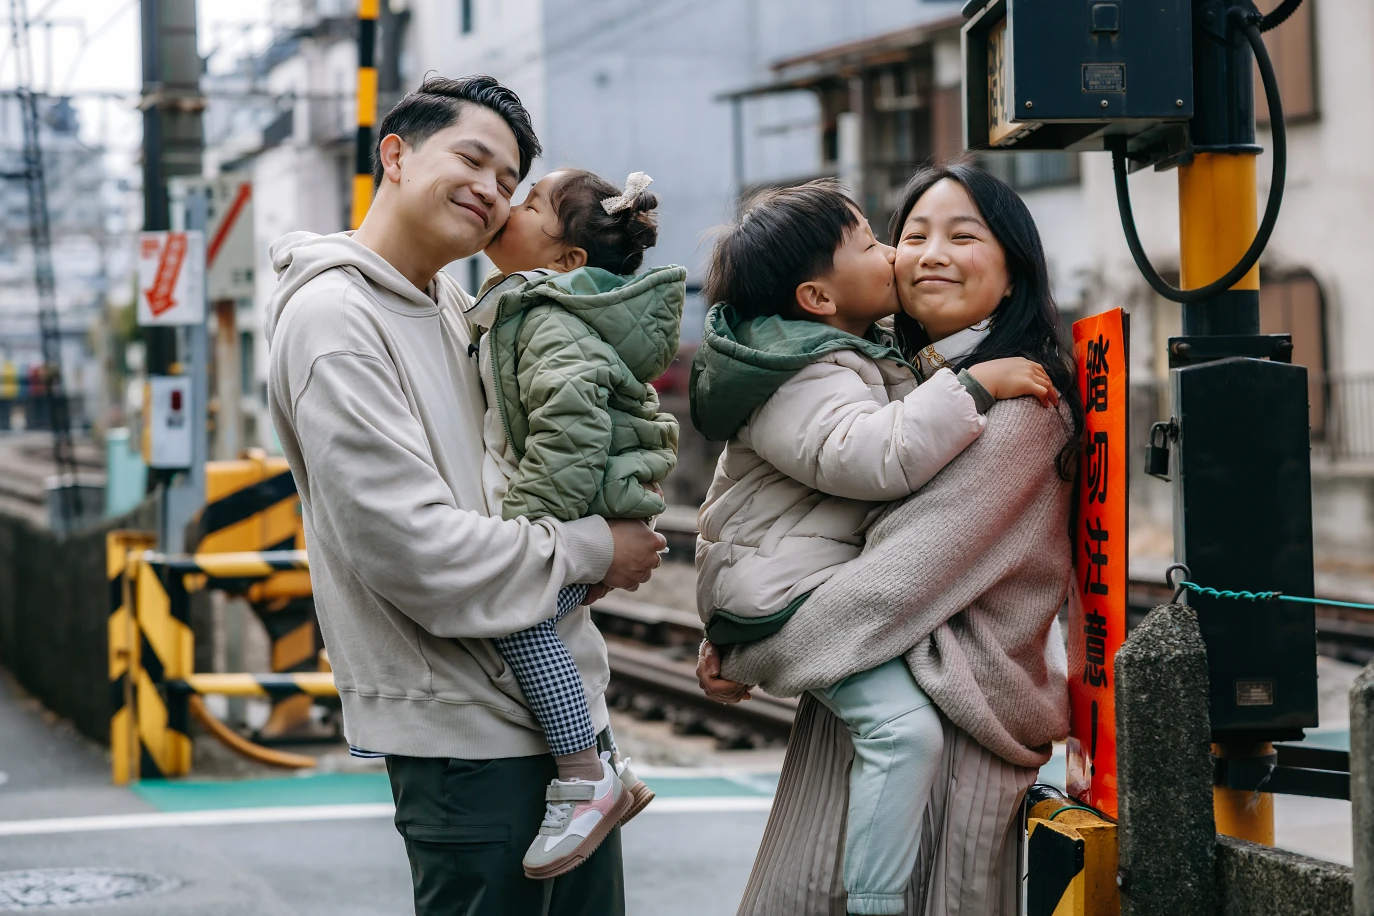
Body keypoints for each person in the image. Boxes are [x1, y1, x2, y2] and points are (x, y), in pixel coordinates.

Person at [264, 75, 665, 916]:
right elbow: (418, 551)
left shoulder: (459, 303)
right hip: (467, 743)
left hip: (564, 734)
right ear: (398, 155)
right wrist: (598, 548)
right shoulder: (336, 321)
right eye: (472, 159)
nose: (491, 191)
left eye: (509, 180)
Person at [697, 161, 1082, 916]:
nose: (928, 252)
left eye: (962, 235)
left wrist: (765, 639)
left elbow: (897, 577)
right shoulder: (888, 376)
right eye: (910, 234)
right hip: (883, 700)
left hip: (953, 724)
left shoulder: (1020, 405)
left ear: (1013, 275)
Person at [466, 167, 685, 878]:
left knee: (519, 610)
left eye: (529, 203)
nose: (508, 204)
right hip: (593, 500)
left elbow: (570, 428)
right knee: (546, 623)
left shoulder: (550, 318)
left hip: (582, 500)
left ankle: (585, 774)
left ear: (566, 261)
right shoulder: (532, 305)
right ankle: (611, 759)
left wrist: (528, 532)